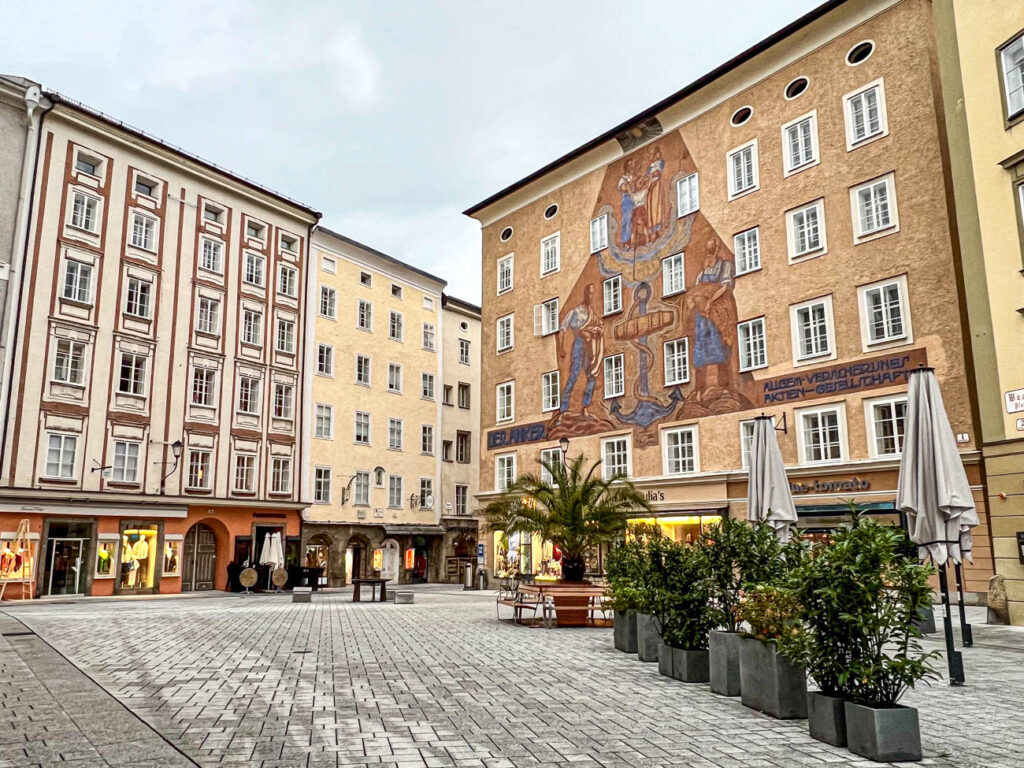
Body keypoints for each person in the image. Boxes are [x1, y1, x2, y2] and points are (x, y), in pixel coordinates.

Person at [558, 284, 604, 418]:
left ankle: (585, 406)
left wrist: (597, 330)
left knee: (592, 376)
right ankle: (563, 408)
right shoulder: (576, 312)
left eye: (592, 294)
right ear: (584, 294)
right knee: (573, 375)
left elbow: (598, 325)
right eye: (589, 293)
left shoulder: (592, 313)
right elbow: (562, 328)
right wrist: (561, 347)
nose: (591, 296)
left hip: (590, 347)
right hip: (579, 345)